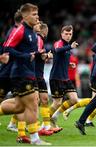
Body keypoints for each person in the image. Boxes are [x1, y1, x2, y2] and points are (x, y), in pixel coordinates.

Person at [0, 3, 50, 145]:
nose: (37, 17)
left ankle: (32, 137)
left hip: (28, 72)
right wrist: (25, 56)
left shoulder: (32, 33)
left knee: (19, 107)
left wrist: (36, 55)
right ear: (25, 16)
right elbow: (7, 48)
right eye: (34, 14)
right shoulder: (20, 30)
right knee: (32, 104)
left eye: (37, 14)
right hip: (20, 73)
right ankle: (35, 139)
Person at [49, 25, 79, 126]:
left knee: (74, 99)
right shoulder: (59, 43)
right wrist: (70, 46)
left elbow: (60, 59)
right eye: (66, 34)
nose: (68, 36)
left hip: (65, 78)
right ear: (61, 34)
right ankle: (46, 122)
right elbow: (57, 50)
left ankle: (55, 116)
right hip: (56, 78)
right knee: (57, 103)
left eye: (70, 34)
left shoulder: (67, 46)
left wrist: (69, 64)